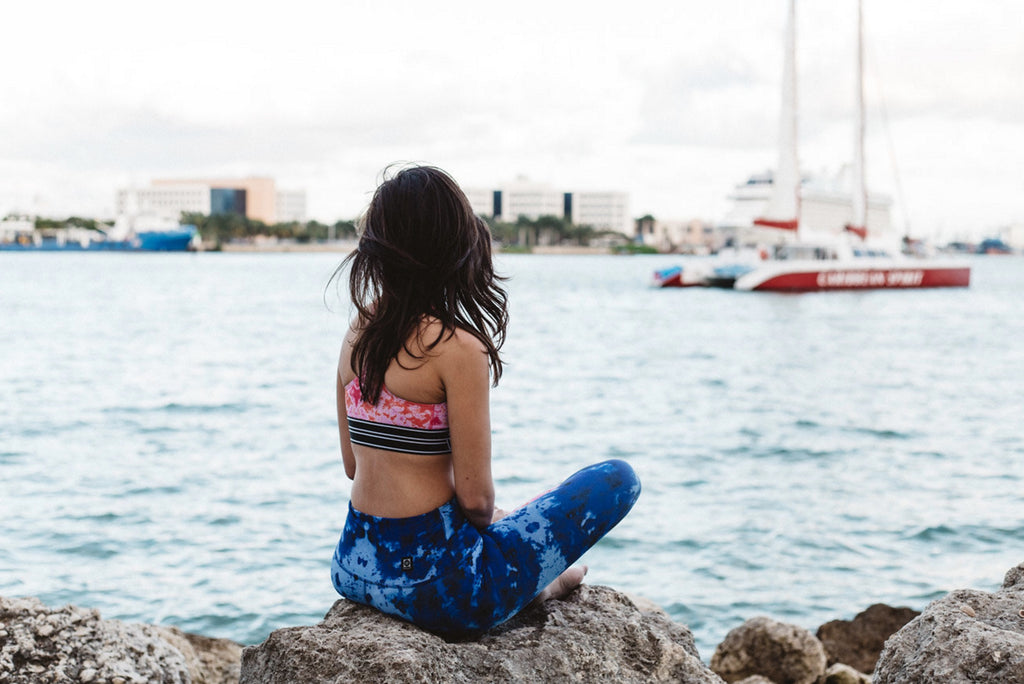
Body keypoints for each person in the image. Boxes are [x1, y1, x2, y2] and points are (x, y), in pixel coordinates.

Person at [329, 164, 641, 637]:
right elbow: (476, 502)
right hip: (439, 588)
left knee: (498, 522)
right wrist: (492, 520)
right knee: (619, 478)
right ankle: (546, 584)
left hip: (354, 568)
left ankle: (530, 575)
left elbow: (353, 466)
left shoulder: (358, 330)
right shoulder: (457, 348)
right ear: (455, 245)